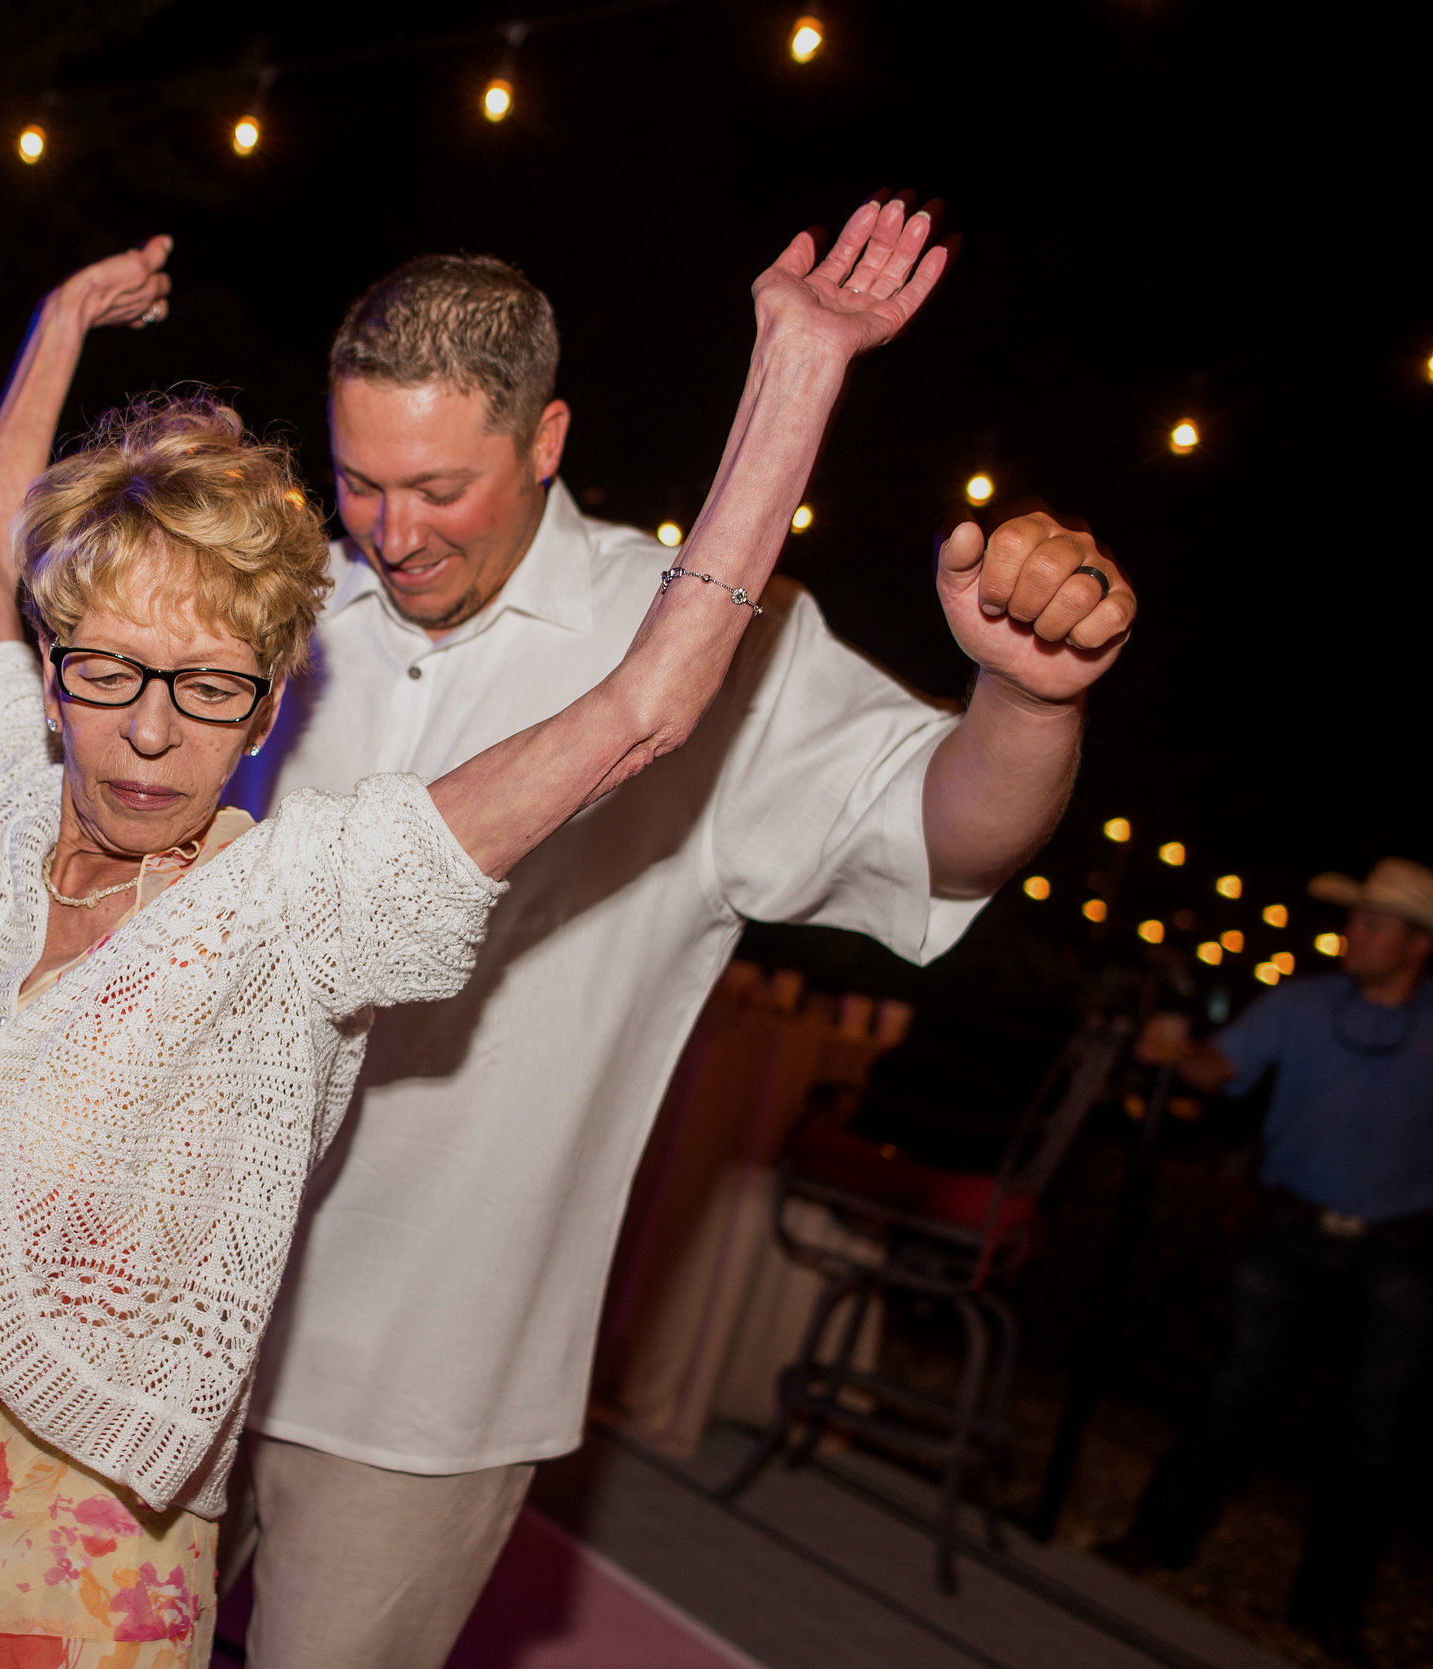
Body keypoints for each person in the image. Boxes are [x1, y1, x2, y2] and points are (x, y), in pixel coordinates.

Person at [0, 198, 977, 1665]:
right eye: (112, 674)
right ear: (50, 672)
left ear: (275, 704)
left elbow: (643, 710)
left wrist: (798, 369)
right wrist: (60, 329)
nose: (152, 734)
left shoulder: (289, 910)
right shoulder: (9, 804)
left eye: (212, 689)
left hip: (57, 1589)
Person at [205, 233, 1139, 1661]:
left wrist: (1027, 702)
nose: (393, 533)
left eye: (441, 488)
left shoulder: (692, 629)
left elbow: (947, 834)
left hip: (427, 1376)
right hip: (176, 1312)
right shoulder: (293, 607)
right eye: (360, 482)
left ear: (545, 441)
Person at [1105, 856, 1433, 1668]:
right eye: (1355, 917)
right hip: (1290, 1233)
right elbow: (1221, 1065)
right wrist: (1177, 1050)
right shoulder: (1302, 1002)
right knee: (1237, 1391)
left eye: (1374, 923)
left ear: (1418, 944)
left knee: (1372, 1435)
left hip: (1398, 1249)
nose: (1353, 932)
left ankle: (1329, 1607)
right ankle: (1160, 1536)